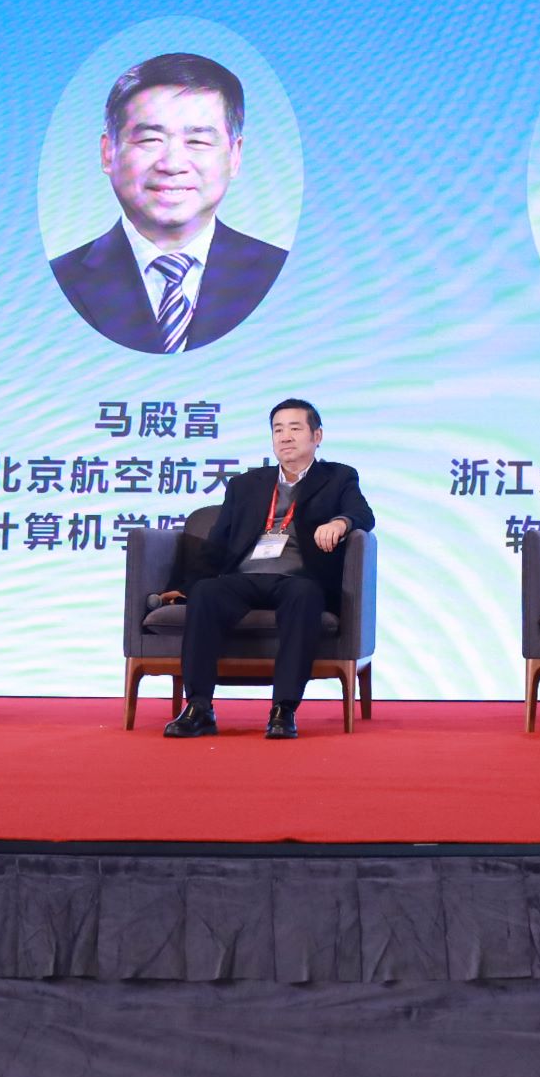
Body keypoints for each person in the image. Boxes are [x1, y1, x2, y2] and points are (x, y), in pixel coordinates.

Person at [160, 398, 374, 740]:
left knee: (304, 595)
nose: (285, 437)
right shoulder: (246, 484)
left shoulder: (338, 477)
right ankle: (199, 708)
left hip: (299, 577)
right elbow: (218, 542)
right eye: (278, 430)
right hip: (244, 576)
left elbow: (363, 514)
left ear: (317, 436)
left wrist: (340, 522)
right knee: (207, 593)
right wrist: (185, 586)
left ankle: (283, 710)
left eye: (295, 428)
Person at [53, 52, 288, 353]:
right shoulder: (60, 280)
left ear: (234, 156)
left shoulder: (282, 275)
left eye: (198, 142)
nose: (173, 164)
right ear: (108, 152)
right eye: (150, 140)